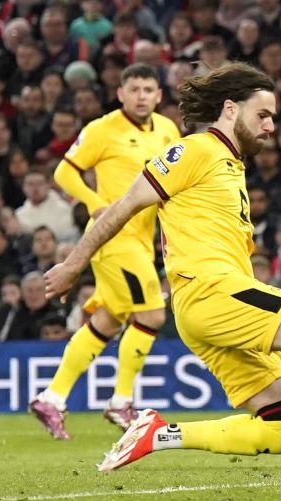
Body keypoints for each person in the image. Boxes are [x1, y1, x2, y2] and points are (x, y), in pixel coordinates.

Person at [44, 63, 281, 471]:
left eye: (273, 117)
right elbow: (124, 206)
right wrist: (73, 265)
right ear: (230, 109)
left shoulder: (231, 163)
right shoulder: (195, 150)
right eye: (262, 115)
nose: (270, 126)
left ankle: (158, 435)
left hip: (211, 302)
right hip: (210, 291)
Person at [30, 65, 181, 437]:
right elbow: (64, 172)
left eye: (148, 89)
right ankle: (120, 402)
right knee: (152, 314)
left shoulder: (168, 130)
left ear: (159, 95)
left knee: (108, 321)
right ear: (121, 93)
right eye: (135, 89)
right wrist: (96, 203)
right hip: (113, 238)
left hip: (142, 240)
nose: (142, 96)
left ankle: (52, 397)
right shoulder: (102, 129)